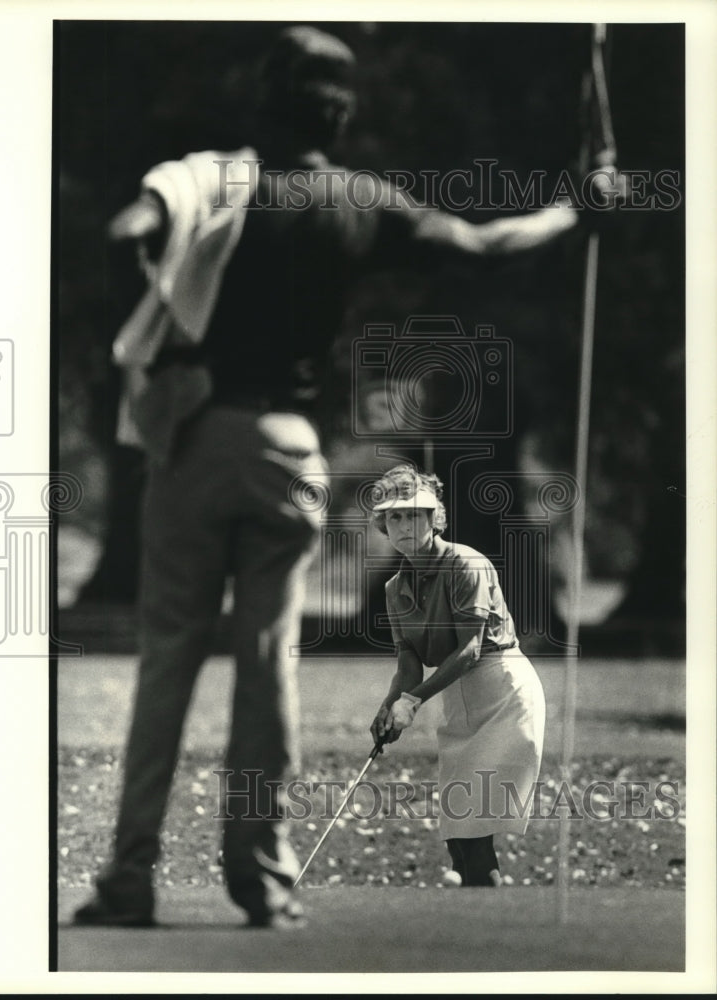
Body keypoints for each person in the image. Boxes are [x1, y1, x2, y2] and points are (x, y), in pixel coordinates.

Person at [73, 25, 612, 929]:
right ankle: (262, 879)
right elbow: (481, 247)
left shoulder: (215, 176)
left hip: (195, 442)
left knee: (168, 659)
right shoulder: (359, 201)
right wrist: (576, 210)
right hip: (287, 449)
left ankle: (130, 876)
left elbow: (141, 222)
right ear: (343, 111)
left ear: (261, 99)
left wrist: (147, 266)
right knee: (263, 663)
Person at [369, 464, 546, 887]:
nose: (404, 524)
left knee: (474, 829)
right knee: (458, 834)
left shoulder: (467, 563)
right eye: (395, 517)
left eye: (414, 514)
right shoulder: (395, 588)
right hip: (455, 693)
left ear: (434, 519)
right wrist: (390, 704)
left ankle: (489, 915)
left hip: (502, 690)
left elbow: (468, 650)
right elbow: (409, 659)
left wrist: (412, 702)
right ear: (384, 526)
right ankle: (477, 922)